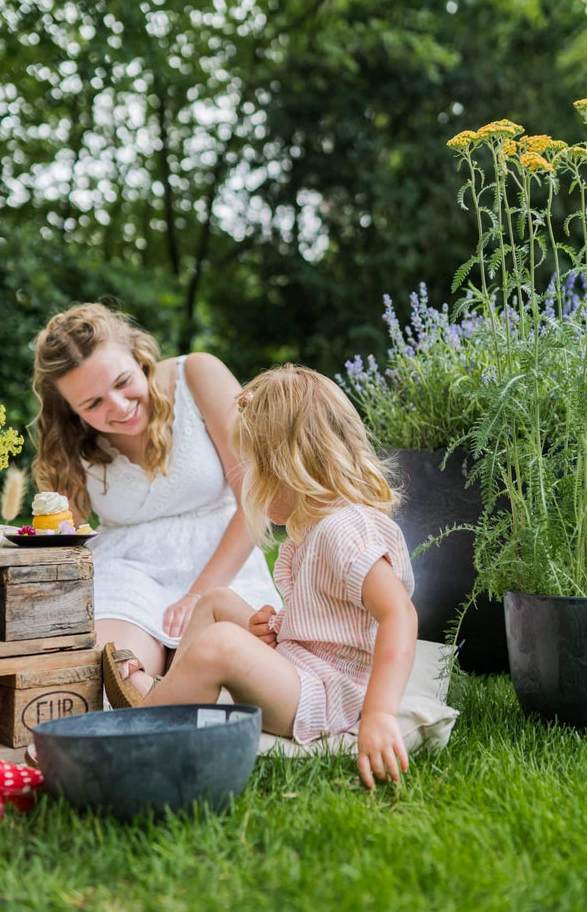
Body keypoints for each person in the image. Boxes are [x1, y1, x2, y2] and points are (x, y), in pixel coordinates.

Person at [104, 364, 418, 789]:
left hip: (327, 695)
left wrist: (379, 714)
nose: (246, 481)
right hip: (304, 668)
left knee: (221, 644)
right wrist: (275, 626)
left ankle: (137, 734)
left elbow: (398, 613)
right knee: (215, 601)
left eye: (253, 469)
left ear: (289, 468)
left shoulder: (344, 529)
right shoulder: (313, 530)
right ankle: (173, 691)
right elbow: (330, 620)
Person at [31, 303, 281, 680]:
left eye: (122, 382)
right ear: (70, 408)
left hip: (221, 564)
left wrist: (199, 595)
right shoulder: (69, 436)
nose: (119, 407)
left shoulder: (198, 374)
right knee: (116, 669)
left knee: (234, 668)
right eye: (93, 403)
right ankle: (146, 695)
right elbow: (64, 536)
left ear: (139, 356)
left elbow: (255, 496)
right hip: (127, 571)